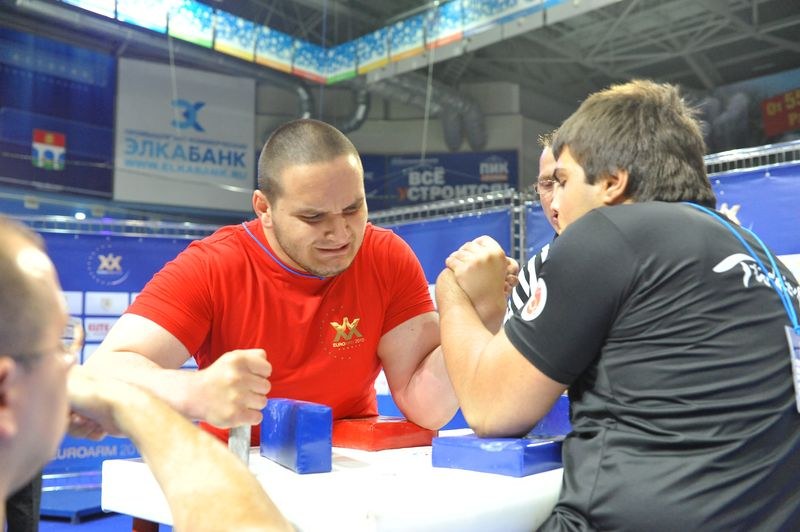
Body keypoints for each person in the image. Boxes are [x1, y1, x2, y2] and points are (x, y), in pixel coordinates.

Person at [436, 80, 800, 530]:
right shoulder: (766, 260)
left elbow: (492, 411)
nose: (554, 203)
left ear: (612, 183)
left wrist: (452, 290)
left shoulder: (606, 234)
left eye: (563, 181)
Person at [86, 118, 459, 444]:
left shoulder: (386, 256)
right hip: (242, 469)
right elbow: (104, 371)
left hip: (351, 471)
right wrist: (194, 391)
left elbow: (427, 407)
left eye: (353, 208)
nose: (341, 232)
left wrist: (471, 315)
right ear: (264, 208)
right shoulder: (213, 266)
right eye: (313, 217)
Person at [0, 216, 292, 531]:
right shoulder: (215, 262)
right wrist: (137, 408)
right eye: (58, 343)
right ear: (5, 392)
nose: (71, 367)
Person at [506, 137, 560, 322]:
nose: (555, 198)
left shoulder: (635, 255)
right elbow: (508, 348)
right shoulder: (533, 271)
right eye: (546, 184)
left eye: (566, 182)